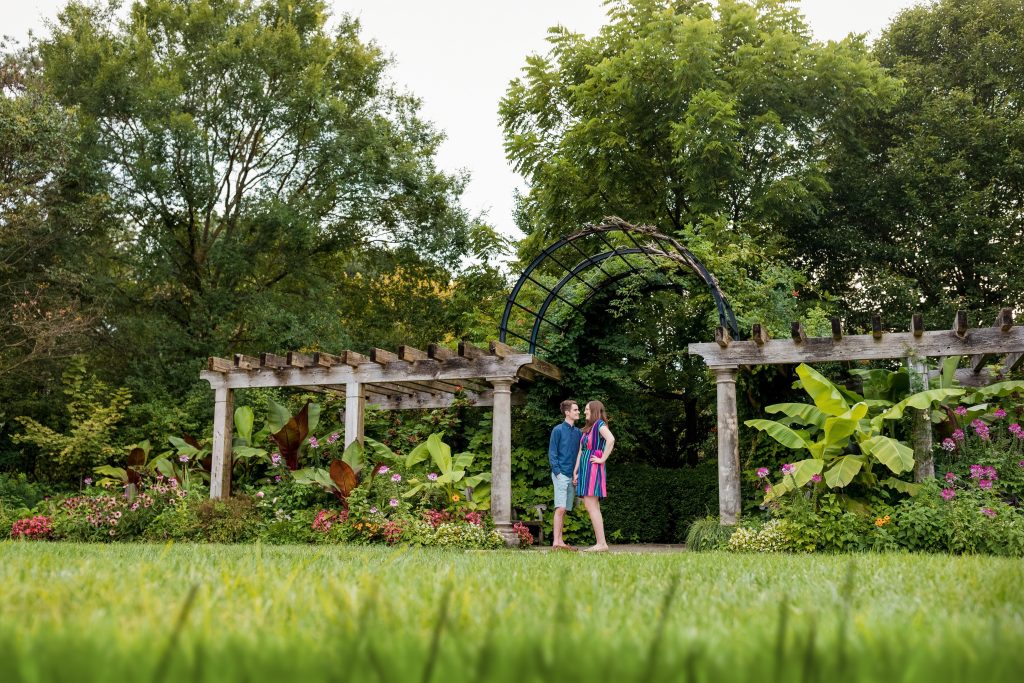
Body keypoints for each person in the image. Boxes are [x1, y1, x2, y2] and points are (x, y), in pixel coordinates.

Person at [572, 400, 614, 552]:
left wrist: (602, 458)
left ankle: (601, 544)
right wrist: (576, 470)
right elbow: (581, 451)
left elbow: (611, 440)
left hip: (594, 468)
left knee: (591, 506)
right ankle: (601, 543)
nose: (584, 412)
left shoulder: (600, 425)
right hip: (585, 469)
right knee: (592, 506)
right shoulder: (588, 429)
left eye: (587, 409)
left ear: (595, 410)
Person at [548, 399, 581, 550]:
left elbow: (579, 455)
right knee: (560, 508)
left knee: (565, 509)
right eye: (575, 410)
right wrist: (558, 472)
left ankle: (561, 542)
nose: (578, 412)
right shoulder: (558, 430)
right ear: (567, 412)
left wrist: (577, 474)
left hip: (572, 475)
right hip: (560, 474)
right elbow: (552, 453)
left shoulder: (578, 432)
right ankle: (556, 542)